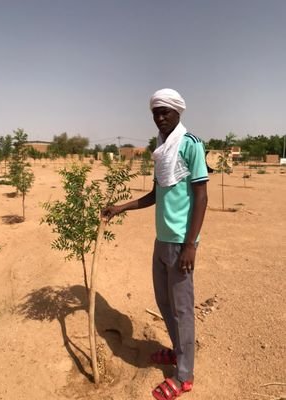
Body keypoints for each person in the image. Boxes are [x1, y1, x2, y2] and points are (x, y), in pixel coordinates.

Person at [102, 88, 208, 399]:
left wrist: (191, 245)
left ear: (178, 113)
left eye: (166, 112)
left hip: (180, 244)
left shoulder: (190, 146)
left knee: (183, 309)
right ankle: (178, 352)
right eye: (155, 113)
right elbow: (155, 194)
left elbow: (201, 196)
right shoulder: (161, 149)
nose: (160, 117)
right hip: (161, 241)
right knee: (165, 304)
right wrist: (121, 207)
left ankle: (184, 376)